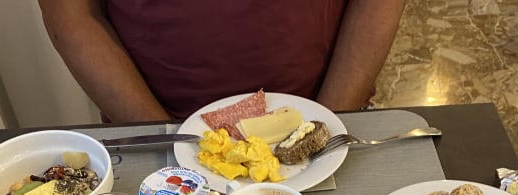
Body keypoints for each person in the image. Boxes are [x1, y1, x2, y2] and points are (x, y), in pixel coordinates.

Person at [37, 0, 407, 122]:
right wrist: (167, 139)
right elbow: (72, 17)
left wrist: (326, 124)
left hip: (327, 108)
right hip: (153, 124)